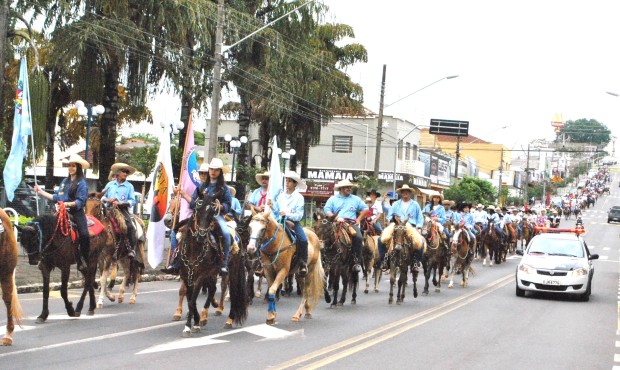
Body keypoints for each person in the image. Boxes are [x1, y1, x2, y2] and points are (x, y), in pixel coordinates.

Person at [34, 154, 91, 270]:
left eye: (73, 166)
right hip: (61, 212)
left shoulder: (82, 183)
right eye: (69, 166)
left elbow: (80, 201)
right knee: (48, 229)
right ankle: (46, 257)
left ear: (78, 168)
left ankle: (83, 259)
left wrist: (67, 204)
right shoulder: (65, 181)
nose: (71, 168)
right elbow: (56, 197)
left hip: (76, 212)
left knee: (84, 234)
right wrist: (40, 191)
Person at [161, 163, 210, 275]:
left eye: (205, 173)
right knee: (174, 235)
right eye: (201, 173)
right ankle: (175, 263)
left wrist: (183, 193)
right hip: (188, 217)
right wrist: (176, 194)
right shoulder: (196, 186)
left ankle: (221, 261)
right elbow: (186, 203)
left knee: (224, 234)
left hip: (203, 217)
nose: (203, 175)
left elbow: (195, 204)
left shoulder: (209, 188)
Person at [184, 158, 232, 274]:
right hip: (200, 216)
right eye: (211, 169)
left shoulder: (224, 188)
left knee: (226, 233)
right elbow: (193, 203)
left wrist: (220, 206)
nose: (213, 172)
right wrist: (184, 196)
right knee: (181, 231)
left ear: (220, 172)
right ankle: (177, 260)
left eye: (216, 170)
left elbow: (228, 205)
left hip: (216, 216)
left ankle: (224, 263)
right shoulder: (201, 187)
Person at [323, 179, 368, 272]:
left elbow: (365, 209)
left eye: (350, 187)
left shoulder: (356, 199)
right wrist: (335, 218)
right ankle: (323, 258)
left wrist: (358, 219)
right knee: (323, 234)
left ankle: (356, 261)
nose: (349, 188)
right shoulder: (333, 199)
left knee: (359, 237)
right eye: (347, 187)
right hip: (335, 223)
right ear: (341, 188)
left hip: (350, 224)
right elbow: (326, 210)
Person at [271, 171, 309, 276]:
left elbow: (299, 215)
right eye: (286, 181)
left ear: (295, 184)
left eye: (289, 181)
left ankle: (303, 262)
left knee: (303, 240)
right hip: (280, 222)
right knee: (266, 235)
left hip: (293, 223)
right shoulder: (280, 196)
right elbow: (276, 211)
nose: (287, 183)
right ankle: (262, 261)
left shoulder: (299, 198)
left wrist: (287, 215)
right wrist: (272, 206)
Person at [101, 162, 137, 259]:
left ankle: (131, 249)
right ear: (118, 173)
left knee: (129, 226)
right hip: (108, 208)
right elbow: (102, 196)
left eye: (127, 172)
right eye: (124, 171)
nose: (125, 173)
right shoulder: (110, 184)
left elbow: (133, 200)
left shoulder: (129, 186)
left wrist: (121, 203)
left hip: (121, 210)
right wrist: (108, 199)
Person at [384, 184, 424, 268]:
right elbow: (389, 216)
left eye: (407, 192)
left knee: (420, 241)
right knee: (382, 239)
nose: (405, 193)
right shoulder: (395, 204)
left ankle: (416, 261)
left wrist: (418, 227)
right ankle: (384, 259)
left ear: (410, 193)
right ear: (401, 193)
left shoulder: (415, 204)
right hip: (397, 225)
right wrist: (392, 219)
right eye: (403, 192)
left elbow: (420, 218)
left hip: (410, 226)